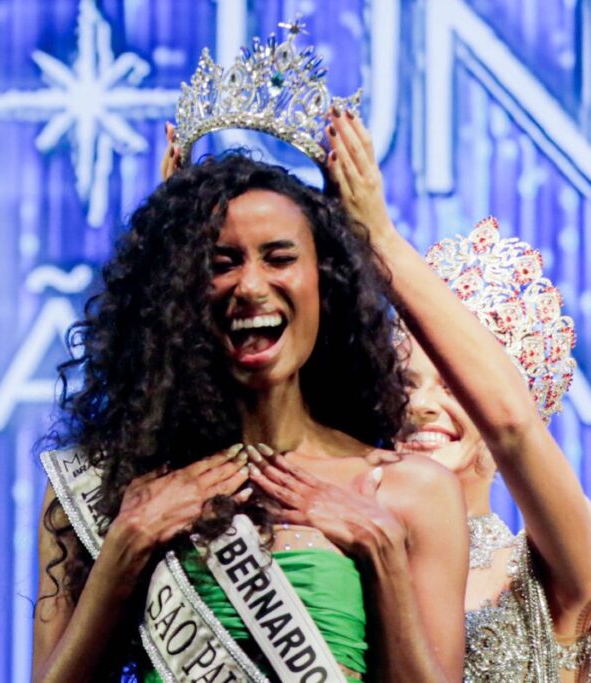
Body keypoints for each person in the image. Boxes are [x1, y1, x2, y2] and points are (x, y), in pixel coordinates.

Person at [32, 152, 468, 682]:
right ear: (176, 299)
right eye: (221, 265)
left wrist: (382, 559)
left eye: (279, 258)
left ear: (325, 287)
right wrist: (125, 549)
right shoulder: (105, 488)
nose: (251, 286)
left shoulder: (410, 492)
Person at [325, 110, 591, 681]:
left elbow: (513, 429)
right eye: (405, 382)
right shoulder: (337, 550)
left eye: (453, 385)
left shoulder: (554, 566)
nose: (422, 405)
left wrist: (381, 241)